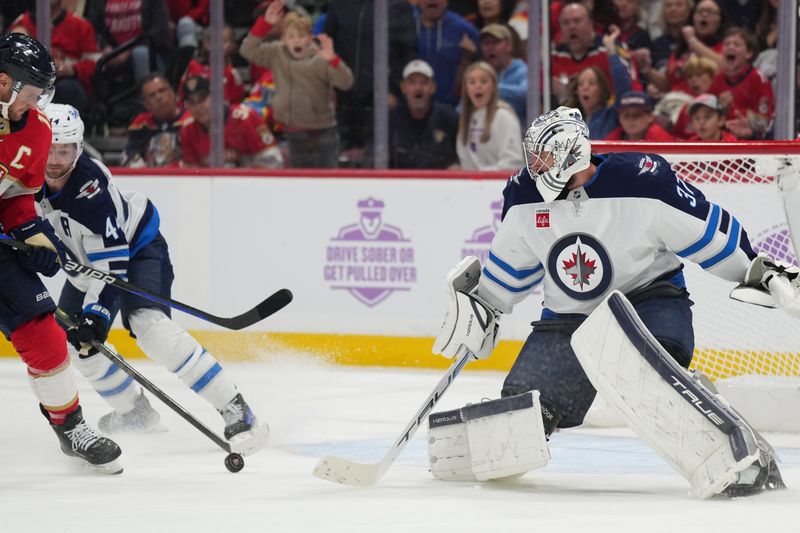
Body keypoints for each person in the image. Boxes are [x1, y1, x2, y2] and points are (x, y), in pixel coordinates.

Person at [430, 105, 789, 498]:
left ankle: (745, 454)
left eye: (546, 157)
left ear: (572, 154)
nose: (537, 166)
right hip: (569, 318)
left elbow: (707, 232)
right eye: (535, 157)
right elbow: (513, 267)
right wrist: (485, 305)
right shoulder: (524, 194)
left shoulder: (641, 181)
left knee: (646, 373)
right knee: (527, 408)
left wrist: (756, 269)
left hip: (649, 302)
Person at [38, 102, 270, 455]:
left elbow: (111, 264)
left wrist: (97, 315)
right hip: (85, 267)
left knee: (149, 325)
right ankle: (135, 413)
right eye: (50, 149)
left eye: (65, 150)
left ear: (79, 148)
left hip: (135, 251)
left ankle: (236, 408)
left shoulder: (90, 189)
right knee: (74, 343)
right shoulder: (25, 175)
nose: (55, 159)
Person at [0, 32, 122, 473]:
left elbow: (14, 199)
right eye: (30, 95)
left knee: (44, 334)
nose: (35, 105)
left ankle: (70, 426)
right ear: (3, 83)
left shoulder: (34, 129)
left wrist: (32, 234)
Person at [239, 0, 354, 168]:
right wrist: (265, 24)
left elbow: (346, 83)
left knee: (326, 183)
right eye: (291, 36)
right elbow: (247, 50)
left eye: (301, 36)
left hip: (323, 131)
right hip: (293, 131)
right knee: (298, 184)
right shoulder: (276, 52)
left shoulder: (321, 57)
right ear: (284, 38)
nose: (297, 41)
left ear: (309, 37)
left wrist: (333, 60)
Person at [10, 0, 101, 117]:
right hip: (30, 84)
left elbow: (95, 64)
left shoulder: (80, 25)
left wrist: (71, 69)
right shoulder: (22, 23)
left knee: (67, 89)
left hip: (66, 82)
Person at [179, 76, 283, 168]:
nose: (198, 107)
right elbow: (192, 172)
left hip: (252, 186)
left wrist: (242, 179)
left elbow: (273, 160)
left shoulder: (246, 118)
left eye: (202, 99)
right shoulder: (188, 129)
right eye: (192, 102)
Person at [389, 59, 460, 169]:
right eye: (412, 82)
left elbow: (463, 156)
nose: (418, 88)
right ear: (403, 87)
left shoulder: (450, 118)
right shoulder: (389, 120)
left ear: (433, 87)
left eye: (424, 82)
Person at [456, 61, 524, 171]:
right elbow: (465, 160)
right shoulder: (466, 118)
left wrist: (483, 175)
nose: (478, 86)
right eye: (472, 82)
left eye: (483, 81)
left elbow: (513, 162)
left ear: (493, 86)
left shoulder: (504, 116)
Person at [123, 72, 191, 168]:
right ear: (146, 104)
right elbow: (130, 154)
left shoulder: (190, 120)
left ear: (173, 93)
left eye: (162, 91)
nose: (158, 97)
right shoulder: (141, 124)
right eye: (152, 95)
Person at [478, 23, 527, 126]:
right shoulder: (481, 73)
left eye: (495, 42)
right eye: (486, 43)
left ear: (509, 45)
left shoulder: (521, 70)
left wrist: (492, 88)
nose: (490, 47)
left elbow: (525, 92)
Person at [604, 90, 675, 140]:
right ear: (619, 118)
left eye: (636, 115)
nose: (631, 119)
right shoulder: (615, 136)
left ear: (650, 117)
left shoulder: (660, 138)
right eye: (626, 116)